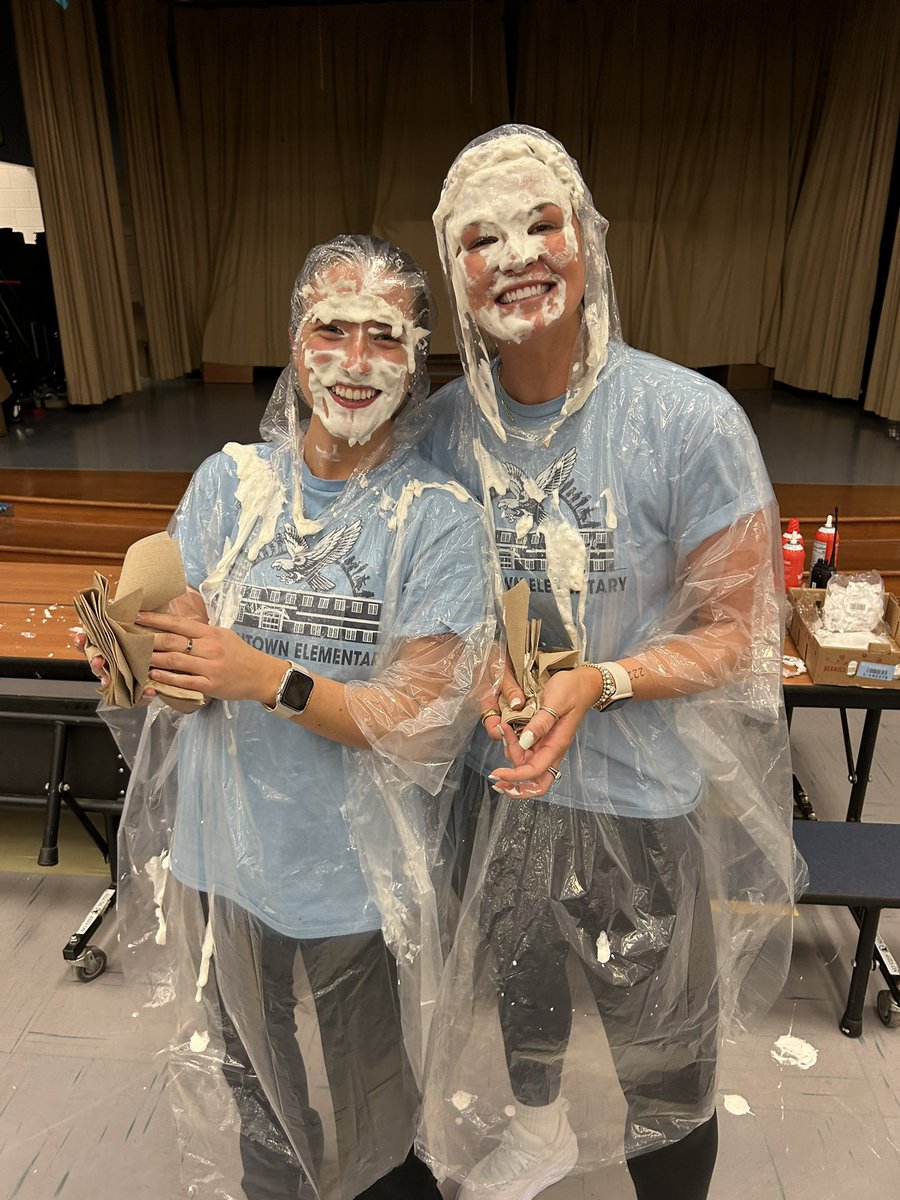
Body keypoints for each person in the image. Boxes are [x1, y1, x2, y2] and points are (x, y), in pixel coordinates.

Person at [418, 126, 800, 1200]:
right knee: (522, 979)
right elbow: (435, 604)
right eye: (483, 237)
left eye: (543, 221)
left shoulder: (688, 420)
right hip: (496, 789)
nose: (520, 253)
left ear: (588, 239)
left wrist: (606, 680)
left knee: (664, 1049)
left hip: (636, 805)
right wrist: (480, 665)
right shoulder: (444, 431)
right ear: (457, 273)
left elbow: (739, 631)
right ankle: (536, 1133)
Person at [81, 236, 494, 1200]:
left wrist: (270, 676)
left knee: (376, 1115)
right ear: (295, 345)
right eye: (330, 330)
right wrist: (145, 660)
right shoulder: (232, 484)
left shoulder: (437, 520)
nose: (354, 361)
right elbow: (182, 652)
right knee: (258, 1094)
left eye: (383, 337)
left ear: (417, 357)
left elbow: (426, 721)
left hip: (355, 881)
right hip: (222, 858)